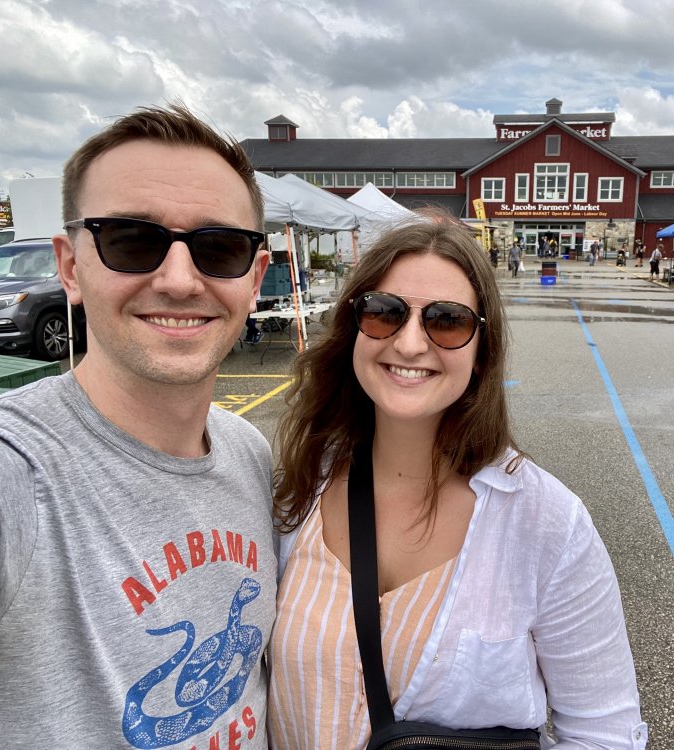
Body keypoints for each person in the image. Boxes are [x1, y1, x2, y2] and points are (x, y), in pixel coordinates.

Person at [0, 105, 278, 749]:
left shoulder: (250, 452)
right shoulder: (0, 471)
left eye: (220, 249)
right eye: (132, 240)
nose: (181, 280)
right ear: (71, 267)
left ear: (254, 277)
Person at [268, 215, 647, 749]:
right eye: (384, 313)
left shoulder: (546, 521)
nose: (410, 344)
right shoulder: (299, 486)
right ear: (354, 326)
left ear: (482, 349)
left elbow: (604, 730)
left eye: (447, 321)